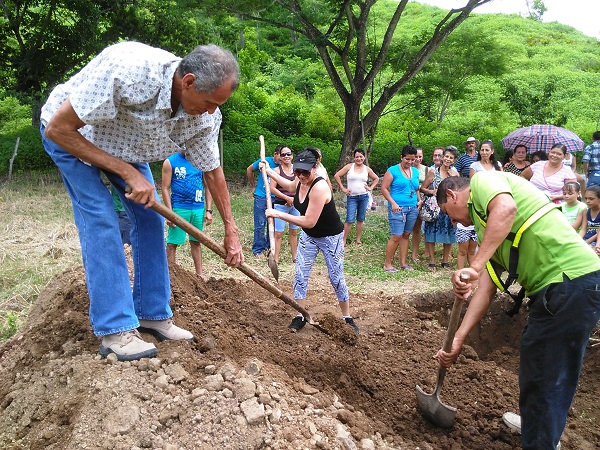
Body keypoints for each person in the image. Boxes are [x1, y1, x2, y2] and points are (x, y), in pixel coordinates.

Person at [40, 41, 243, 361]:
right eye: (209, 102)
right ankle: (115, 329)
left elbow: (213, 172)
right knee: (102, 217)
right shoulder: (131, 73)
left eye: (218, 104)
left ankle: (151, 313)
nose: (212, 111)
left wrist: (231, 229)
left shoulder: (204, 117)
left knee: (150, 220)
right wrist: (124, 171)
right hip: (72, 136)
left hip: (125, 147)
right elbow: (58, 128)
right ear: (187, 82)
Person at [434, 172, 600, 450]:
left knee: (547, 371)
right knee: (541, 364)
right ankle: (539, 425)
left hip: (570, 281)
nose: (453, 222)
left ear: (452, 195)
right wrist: (457, 341)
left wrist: (474, 267)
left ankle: (541, 441)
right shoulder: (488, 227)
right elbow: (485, 290)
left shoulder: (482, 182)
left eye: (448, 214)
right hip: (561, 288)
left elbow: (506, 208)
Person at [262, 148, 360, 334]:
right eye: (297, 171)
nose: (300, 175)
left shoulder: (320, 187)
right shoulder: (300, 181)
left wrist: (278, 213)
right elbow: (290, 186)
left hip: (331, 237)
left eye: (305, 172)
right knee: (300, 274)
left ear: (315, 168)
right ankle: (300, 315)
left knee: (336, 277)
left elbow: (309, 220)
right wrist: (269, 170)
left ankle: (347, 317)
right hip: (309, 236)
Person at [161, 151, 213, 279]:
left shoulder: (201, 161)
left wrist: (209, 210)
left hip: (197, 208)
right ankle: (171, 277)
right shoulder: (170, 162)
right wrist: (169, 213)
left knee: (196, 242)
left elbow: (208, 186)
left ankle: (200, 275)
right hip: (179, 208)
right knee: (173, 243)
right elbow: (165, 188)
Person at [381, 145, 421, 272]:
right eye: (407, 159)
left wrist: (419, 199)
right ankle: (388, 264)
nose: (410, 162)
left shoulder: (415, 171)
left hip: (412, 207)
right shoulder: (392, 170)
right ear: (402, 157)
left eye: (412, 160)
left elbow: (416, 188)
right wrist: (393, 203)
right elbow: (384, 188)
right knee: (396, 236)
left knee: (406, 235)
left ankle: (403, 263)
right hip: (398, 207)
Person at [421, 146, 459, 271]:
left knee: (448, 234)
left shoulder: (454, 173)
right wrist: (432, 191)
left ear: (453, 161)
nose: (448, 159)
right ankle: (432, 261)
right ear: (442, 157)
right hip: (434, 207)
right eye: (446, 156)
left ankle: (445, 261)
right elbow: (422, 188)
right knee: (431, 233)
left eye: (451, 158)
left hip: (449, 208)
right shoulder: (433, 171)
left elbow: (459, 190)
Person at [333, 148, 380, 246]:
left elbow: (376, 178)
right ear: (354, 158)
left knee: (360, 218)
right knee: (349, 219)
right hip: (352, 197)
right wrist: (343, 188)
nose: (359, 159)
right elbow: (337, 176)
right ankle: (344, 240)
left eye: (361, 156)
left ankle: (358, 239)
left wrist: (370, 187)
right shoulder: (349, 167)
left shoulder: (367, 169)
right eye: (357, 157)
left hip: (363, 196)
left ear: (364, 157)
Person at [246, 145, 282, 256]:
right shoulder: (264, 161)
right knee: (260, 224)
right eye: (281, 155)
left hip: (276, 198)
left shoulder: (284, 166)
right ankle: (257, 249)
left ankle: (268, 247)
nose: (283, 158)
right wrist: (253, 186)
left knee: (273, 224)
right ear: (275, 154)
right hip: (261, 196)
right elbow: (249, 169)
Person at [269, 146, 299, 263]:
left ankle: (295, 257)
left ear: (292, 156)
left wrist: (293, 199)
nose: (286, 156)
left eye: (288, 154)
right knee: (278, 233)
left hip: (295, 205)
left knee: (294, 231)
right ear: (280, 157)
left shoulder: (297, 170)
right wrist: (286, 198)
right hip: (281, 205)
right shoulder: (276, 171)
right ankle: (275, 258)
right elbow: (272, 188)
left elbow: (300, 186)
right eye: (283, 155)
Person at [410, 147, 428, 261]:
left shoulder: (426, 169)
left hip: (423, 201)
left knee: (420, 228)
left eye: (420, 156)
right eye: (415, 156)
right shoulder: (407, 168)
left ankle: (416, 253)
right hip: (410, 200)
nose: (417, 159)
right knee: (409, 229)